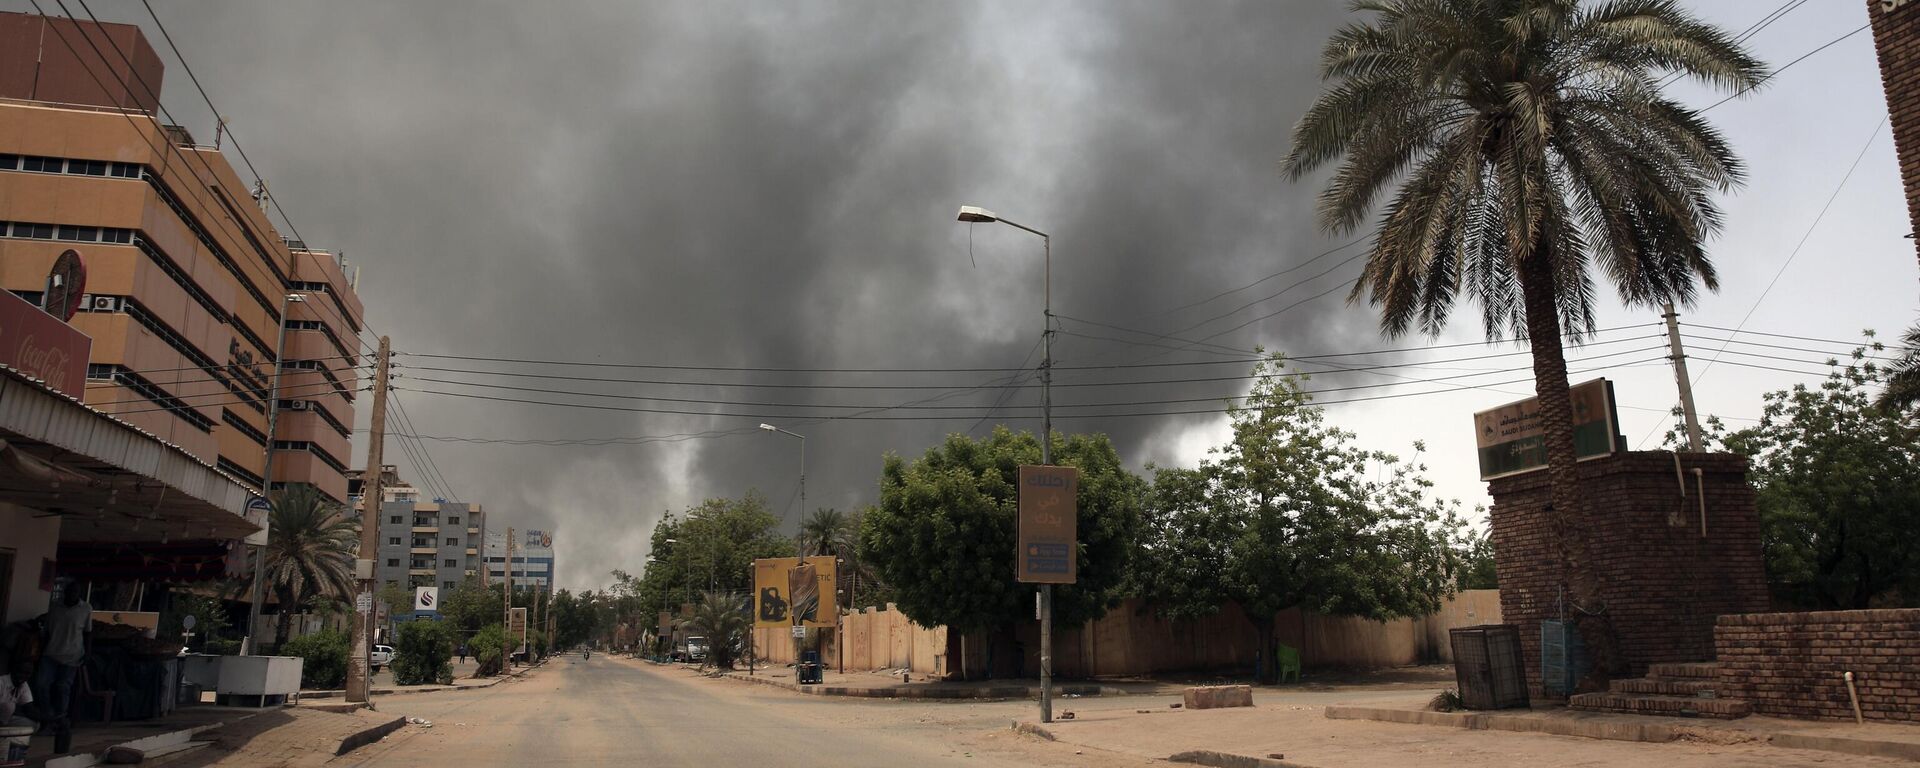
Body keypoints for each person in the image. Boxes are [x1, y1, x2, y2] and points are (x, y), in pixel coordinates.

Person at [33, 583, 90, 741]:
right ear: (65, 593)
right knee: (41, 685)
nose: (72, 594)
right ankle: (49, 717)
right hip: (51, 653)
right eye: (70, 591)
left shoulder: (86, 609)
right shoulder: (55, 607)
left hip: (72, 655)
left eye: (76, 592)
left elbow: (88, 633)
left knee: (63, 688)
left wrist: (87, 654)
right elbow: (47, 632)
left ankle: (60, 722)